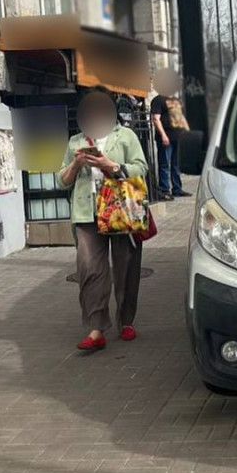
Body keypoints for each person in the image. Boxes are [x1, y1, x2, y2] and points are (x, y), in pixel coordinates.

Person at [58, 88, 149, 351]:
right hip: (86, 214)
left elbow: (141, 168)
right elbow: (61, 181)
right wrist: (76, 164)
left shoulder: (125, 136)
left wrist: (111, 165)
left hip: (121, 209)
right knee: (89, 269)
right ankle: (96, 329)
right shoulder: (76, 141)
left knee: (126, 267)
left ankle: (126, 321)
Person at [150, 70, 192, 201]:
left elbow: (182, 118)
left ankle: (177, 189)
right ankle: (164, 190)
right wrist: (163, 136)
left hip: (179, 137)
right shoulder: (157, 100)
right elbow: (155, 119)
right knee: (164, 164)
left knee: (176, 164)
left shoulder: (176, 100)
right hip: (166, 138)